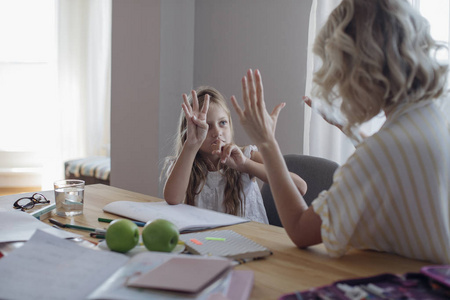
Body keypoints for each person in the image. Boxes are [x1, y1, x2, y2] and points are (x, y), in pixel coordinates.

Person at [231, 0, 449, 264]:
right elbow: (393, 157)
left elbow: (301, 229)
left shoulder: (379, 154)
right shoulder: (433, 116)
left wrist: (267, 143)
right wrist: (347, 127)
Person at [162, 86, 307, 223]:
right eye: (207, 125)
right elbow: (172, 198)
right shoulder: (184, 163)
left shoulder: (247, 155)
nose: (217, 132)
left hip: (251, 241)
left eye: (223, 123)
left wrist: (246, 165)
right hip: (208, 242)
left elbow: (300, 186)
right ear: (190, 130)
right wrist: (191, 146)